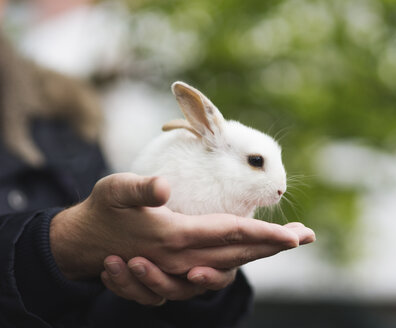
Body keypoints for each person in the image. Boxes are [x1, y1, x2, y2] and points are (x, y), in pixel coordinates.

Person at [0, 4, 315, 327]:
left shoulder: (66, 114)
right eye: (255, 163)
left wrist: (201, 290)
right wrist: (63, 245)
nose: (279, 187)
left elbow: (109, 310)